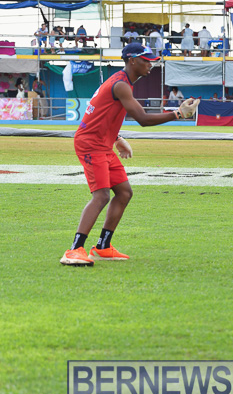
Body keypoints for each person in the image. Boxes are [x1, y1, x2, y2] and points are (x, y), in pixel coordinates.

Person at [60, 43, 199, 267]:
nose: (151, 64)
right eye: (147, 60)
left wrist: (117, 138)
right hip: (91, 144)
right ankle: (74, 249)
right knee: (102, 196)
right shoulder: (121, 85)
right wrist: (178, 113)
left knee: (124, 193)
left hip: (103, 143)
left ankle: (103, 246)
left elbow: (104, 113)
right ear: (131, 60)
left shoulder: (121, 82)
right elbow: (143, 119)